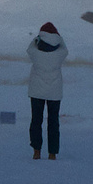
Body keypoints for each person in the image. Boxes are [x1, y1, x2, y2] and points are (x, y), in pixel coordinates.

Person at [24, 21, 68, 160]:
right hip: (54, 92)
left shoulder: (35, 53)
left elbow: (29, 48)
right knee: (53, 122)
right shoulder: (60, 53)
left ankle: (36, 151)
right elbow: (65, 49)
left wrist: (36, 39)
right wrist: (59, 39)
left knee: (36, 121)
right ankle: (52, 153)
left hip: (36, 91)